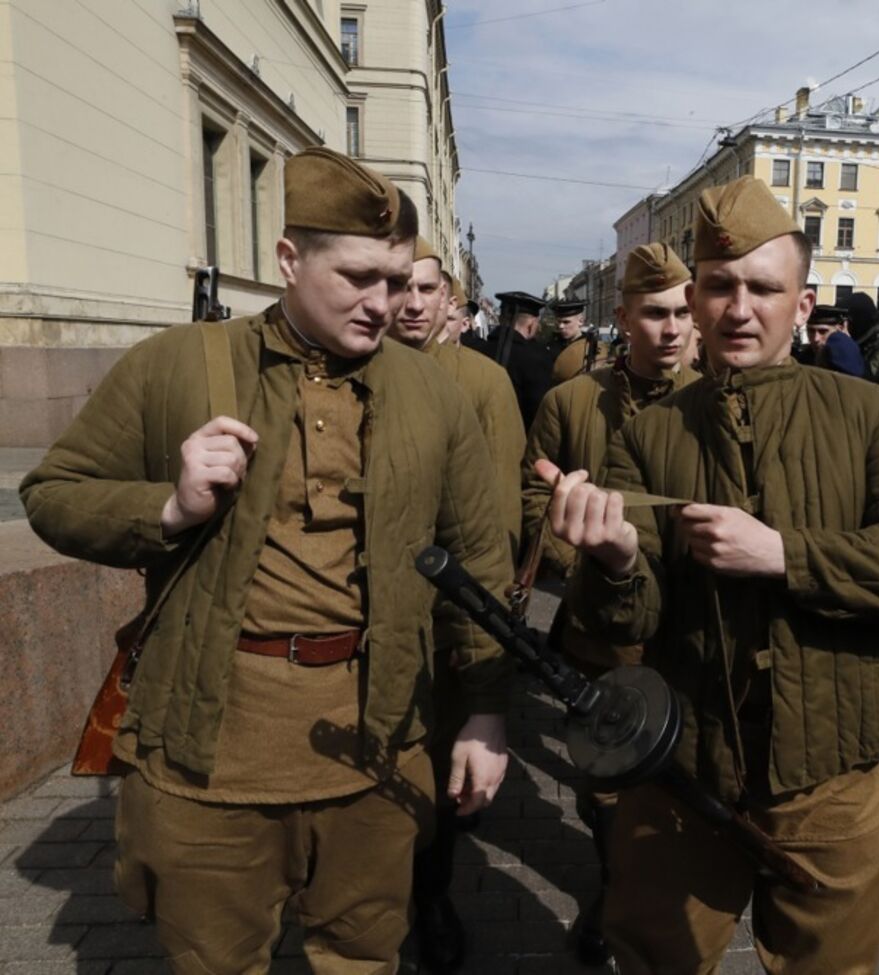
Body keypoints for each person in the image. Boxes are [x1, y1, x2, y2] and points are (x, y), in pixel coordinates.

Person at [21, 147, 515, 973]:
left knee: (362, 959)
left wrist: (488, 709)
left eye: (396, 281)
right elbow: (54, 493)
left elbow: (475, 565)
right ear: (289, 259)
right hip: (206, 766)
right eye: (357, 277)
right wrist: (169, 506)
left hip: (376, 759)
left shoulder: (435, 394)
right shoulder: (175, 366)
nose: (382, 302)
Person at [538, 175, 879, 975]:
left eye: (764, 289)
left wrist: (784, 553)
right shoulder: (652, 428)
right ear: (696, 298)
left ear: (801, 306)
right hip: (681, 771)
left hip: (832, 779)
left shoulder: (872, 416)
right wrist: (618, 561)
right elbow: (628, 620)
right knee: (652, 959)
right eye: (720, 286)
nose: (741, 308)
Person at [521, 242, 699, 964]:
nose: (673, 328)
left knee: (682, 779)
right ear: (623, 316)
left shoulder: (719, 397)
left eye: (685, 312)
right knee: (603, 785)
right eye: (655, 312)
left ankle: (662, 895)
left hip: (688, 634)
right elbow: (531, 492)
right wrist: (578, 557)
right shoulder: (573, 401)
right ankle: (614, 887)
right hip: (600, 633)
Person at [391, 236, 526, 971]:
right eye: (399, 287)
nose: (412, 303)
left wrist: (486, 622)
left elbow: (498, 517)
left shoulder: (480, 384)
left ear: (449, 299)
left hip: (448, 618)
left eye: (425, 289)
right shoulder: (356, 372)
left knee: (440, 771)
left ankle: (432, 897)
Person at [483, 291, 554, 429]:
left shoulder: (477, 350)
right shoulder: (537, 359)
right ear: (531, 325)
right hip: (520, 440)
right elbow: (540, 413)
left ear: (500, 319)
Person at [806, 304, 866, 378]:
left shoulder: (853, 361)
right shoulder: (802, 359)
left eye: (823, 331)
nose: (816, 338)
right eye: (811, 331)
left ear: (840, 329)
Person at [548, 299, 593, 382]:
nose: (561, 326)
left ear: (581, 321)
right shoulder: (550, 345)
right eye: (559, 322)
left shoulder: (590, 346)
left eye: (566, 322)